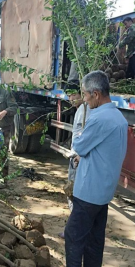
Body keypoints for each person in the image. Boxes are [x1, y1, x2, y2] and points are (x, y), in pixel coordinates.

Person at [64, 71, 128, 267]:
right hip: (104, 191)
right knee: (94, 241)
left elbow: (79, 145)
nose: (84, 99)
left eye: (85, 95)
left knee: (73, 236)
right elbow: (104, 151)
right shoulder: (118, 117)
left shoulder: (99, 118)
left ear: (96, 94)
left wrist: (81, 149)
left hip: (89, 192)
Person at [59, 80, 91, 239]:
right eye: (68, 96)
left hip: (79, 157)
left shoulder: (86, 110)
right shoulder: (80, 110)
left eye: (73, 94)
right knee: (72, 190)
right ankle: (74, 228)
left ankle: (73, 230)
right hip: (75, 155)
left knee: (74, 192)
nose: (71, 98)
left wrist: (80, 155)